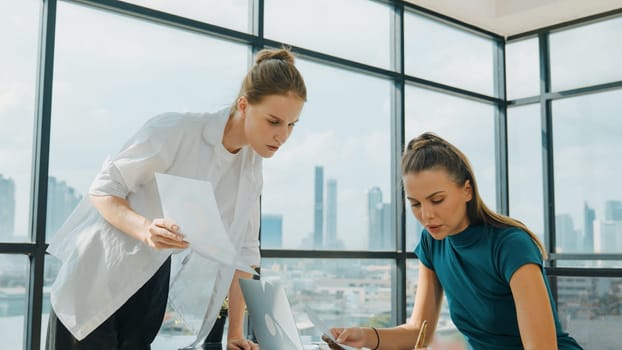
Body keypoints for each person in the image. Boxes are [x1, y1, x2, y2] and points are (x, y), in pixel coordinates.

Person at [46, 47, 307, 350]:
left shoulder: (251, 168)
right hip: (96, 280)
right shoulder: (176, 131)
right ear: (244, 105)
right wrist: (146, 229)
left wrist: (235, 332)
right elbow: (103, 190)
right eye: (274, 121)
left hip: (150, 286)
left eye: (291, 125)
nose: (283, 136)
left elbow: (245, 253)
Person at [326, 133, 583, 350]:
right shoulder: (432, 243)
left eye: (437, 200)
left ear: (467, 190)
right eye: (415, 204)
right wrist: (365, 336)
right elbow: (420, 331)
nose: (426, 215)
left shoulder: (510, 245)